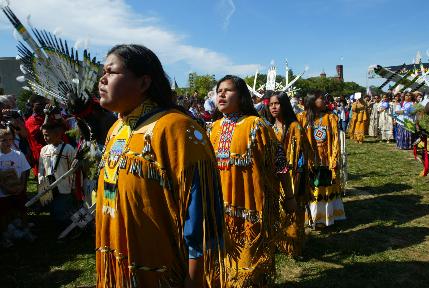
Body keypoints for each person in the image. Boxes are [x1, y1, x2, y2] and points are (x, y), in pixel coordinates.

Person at [95, 44, 224, 287]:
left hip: (162, 273)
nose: (102, 79)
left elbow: (201, 212)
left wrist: (195, 278)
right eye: (103, 72)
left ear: (144, 83)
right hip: (116, 267)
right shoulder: (116, 129)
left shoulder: (176, 128)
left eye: (111, 72)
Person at [209, 75, 297, 287]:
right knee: (223, 262)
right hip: (220, 210)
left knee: (250, 265)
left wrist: (290, 196)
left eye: (227, 90)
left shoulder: (256, 125)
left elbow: (280, 163)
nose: (221, 94)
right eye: (218, 90)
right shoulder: (213, 128)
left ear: (241, 97)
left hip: (252, 211)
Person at [269, 91, 309, 257]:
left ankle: (293, 245)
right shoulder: (269, 128)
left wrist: (298, 178)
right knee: (277, 211)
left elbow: (302, 155)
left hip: (293, 176)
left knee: (292, 211)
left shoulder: (295, 127)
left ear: (284, 105)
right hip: (274, 177)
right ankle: (279, 241)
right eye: (271, 104)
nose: (273, 107)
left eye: (277, 103)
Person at [297, 92, 345, 228]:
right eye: (321, 99)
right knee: (312, 187)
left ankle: (325, 217)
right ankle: (311, 217)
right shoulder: (301, 118)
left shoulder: (330, 118)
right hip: (309, 161)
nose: (325, 101)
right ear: (312, 101)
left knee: (325, 187)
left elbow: (335, 139)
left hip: (326, 161)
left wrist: (334, 158)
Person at [38, 122, 77, 229]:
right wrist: (41, 181)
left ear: (57, 134)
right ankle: (57, 228)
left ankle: (67, 229)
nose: (45, 137)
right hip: (49, 186)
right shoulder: (44, 150)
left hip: (64, 187)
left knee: (63, 209)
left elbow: (74, 170)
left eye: (47, 135)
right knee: (53, 208)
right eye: (44, 135)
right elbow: (41, 168)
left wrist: (74, 186)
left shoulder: (68, 149)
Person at [25, 95, 48, 176]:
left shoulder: (46, 116)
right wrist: (48, 116)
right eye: (40, 104)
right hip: (40, 157)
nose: (43, 106)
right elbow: (44, 130)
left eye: (44, 103)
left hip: (53, 154)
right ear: (32, 105)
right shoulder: (30, 120)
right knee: (44, 184)